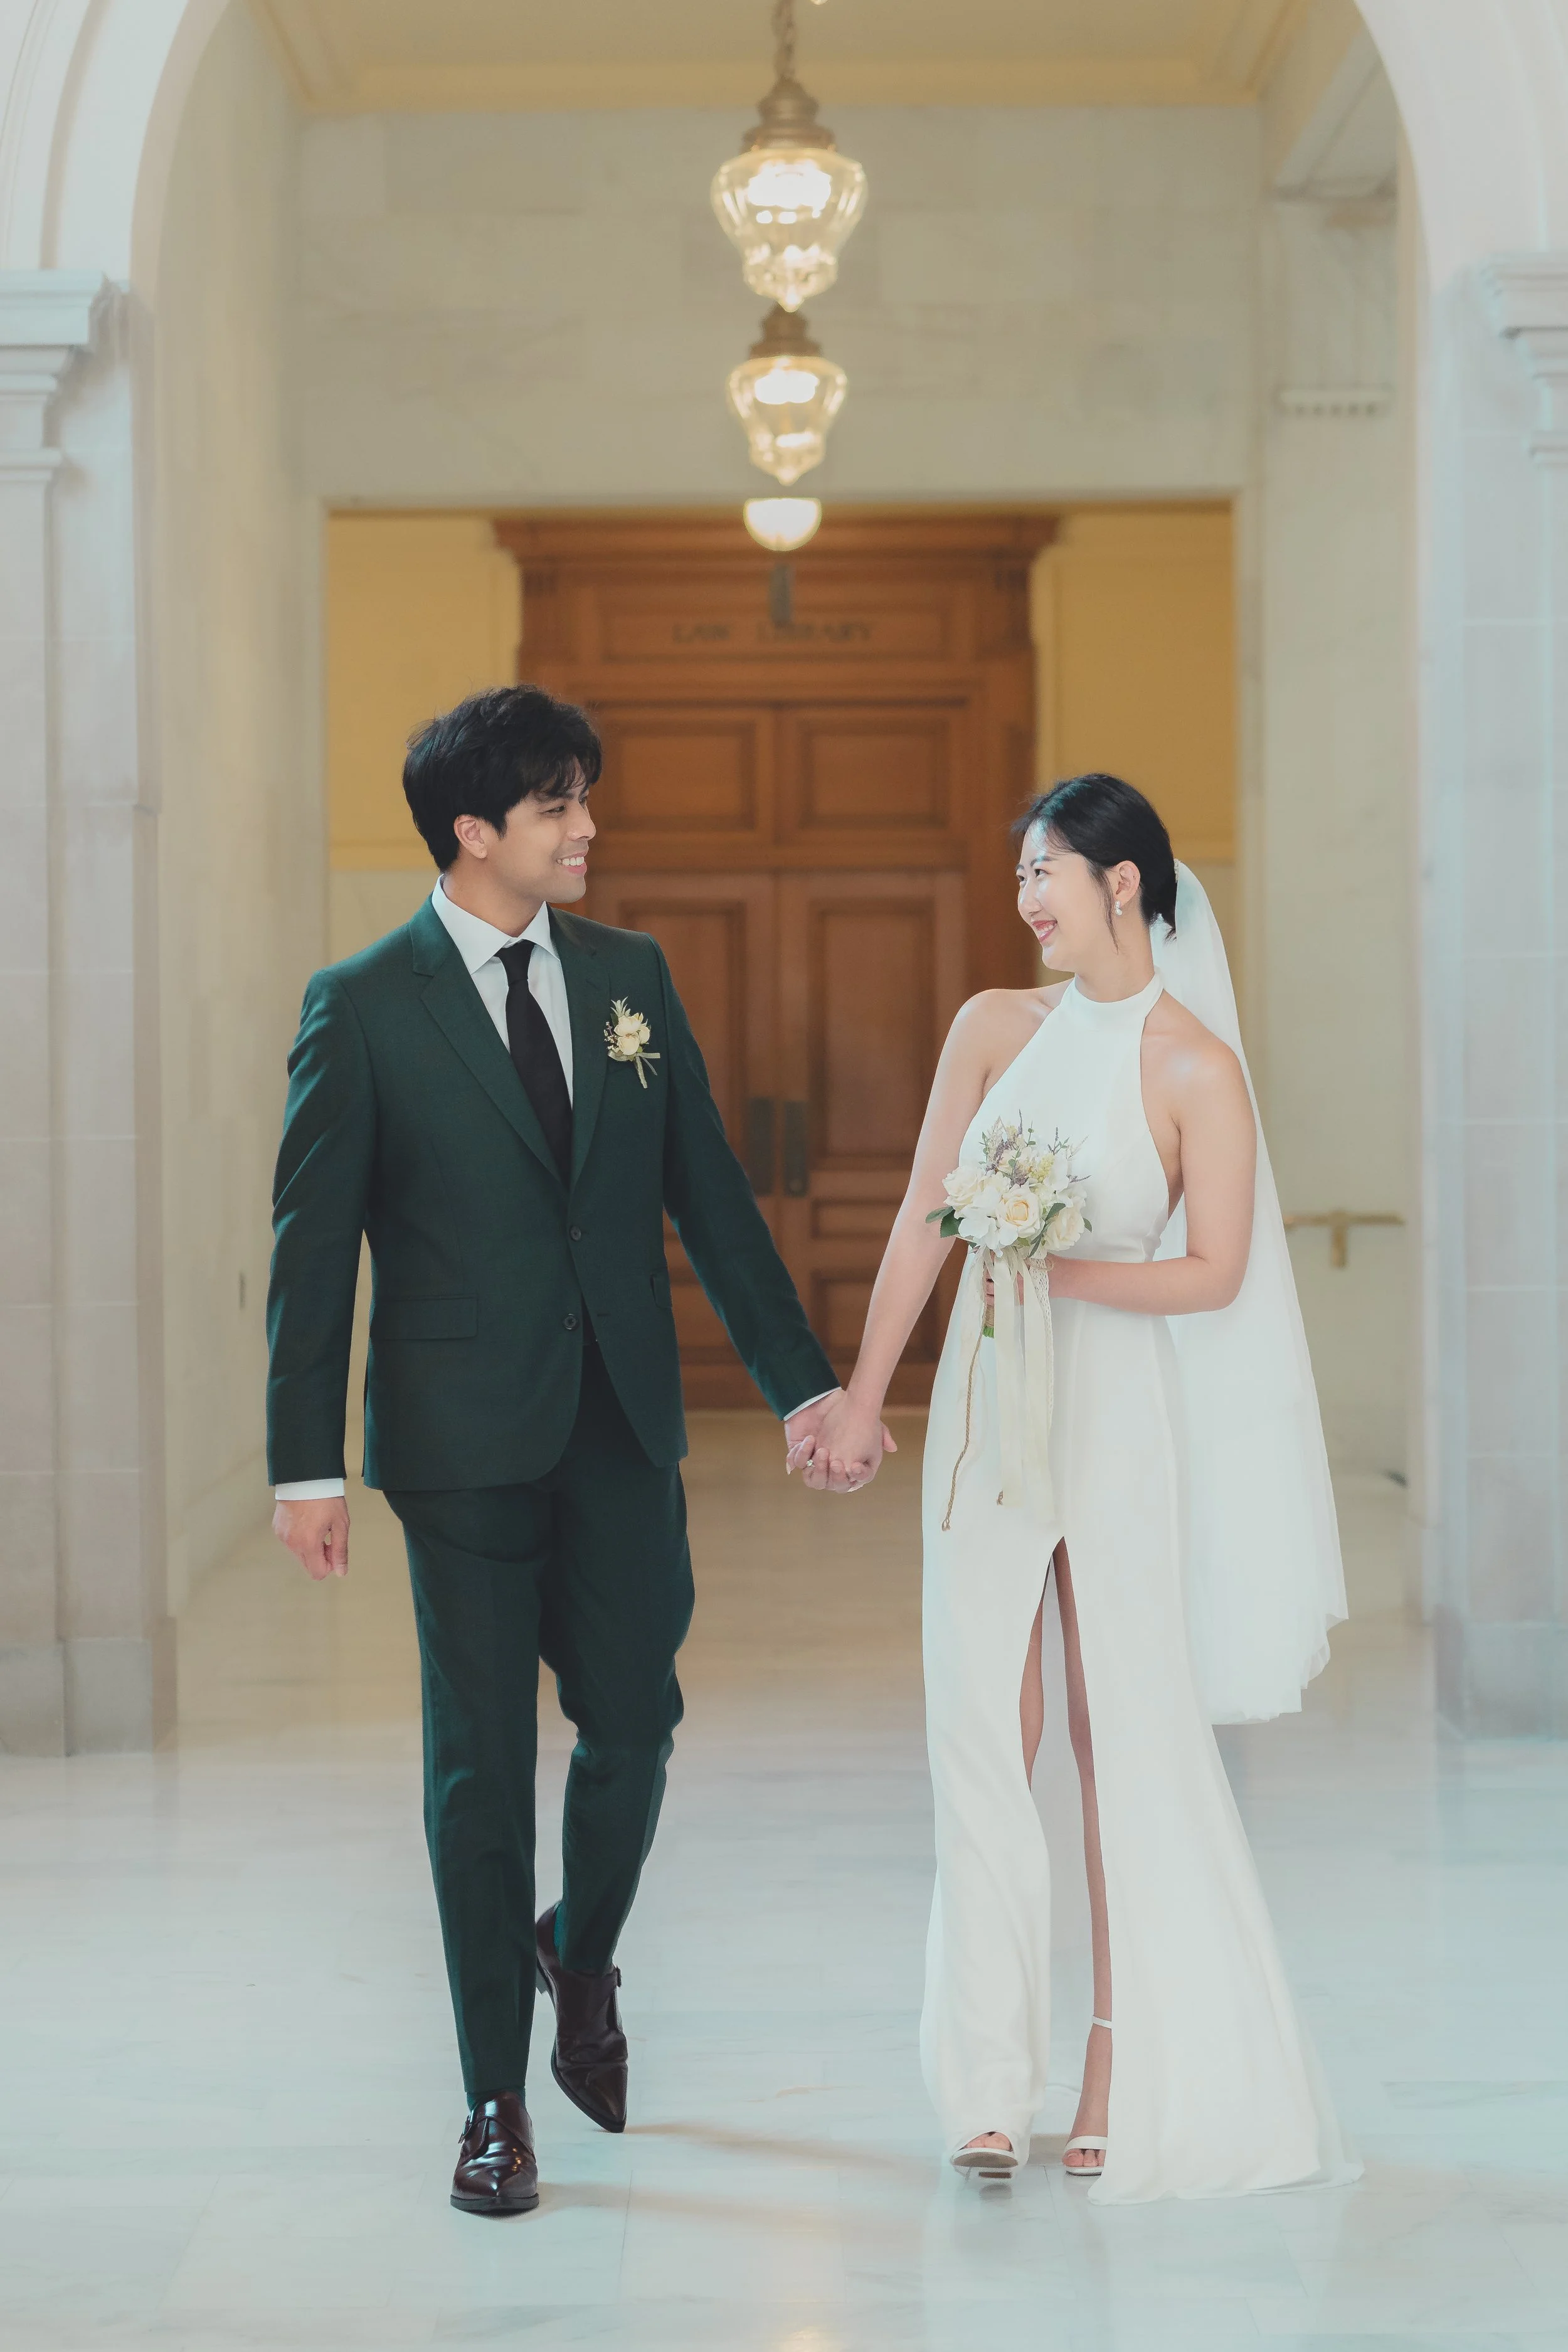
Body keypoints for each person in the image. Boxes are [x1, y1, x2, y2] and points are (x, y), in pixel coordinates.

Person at [267, 684, 875, 2216]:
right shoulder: (361, 1001)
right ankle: (489, 2105)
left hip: (620, 1426)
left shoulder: (629, 976)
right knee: (476, 1776)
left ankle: (579, 1953)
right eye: (556, 805)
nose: (585, 826)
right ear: (472, 832)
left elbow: (711, 1198)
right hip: (459, 1444)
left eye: (583, 798)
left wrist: (803, 1386)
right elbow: (310, 1248)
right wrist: (303, 1463)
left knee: (634, 1724)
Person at [797, 774, 1359, 2201]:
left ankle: (1117, 2063)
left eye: (1047, 871)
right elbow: (931, 1213)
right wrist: (864, 1396)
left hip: (1115, 1422)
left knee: (1122, 1747)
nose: (1028, 899)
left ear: (1124, 882)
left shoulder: (1192, 1069)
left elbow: (1213, 1270)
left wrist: (1056, 1268)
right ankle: (987, 2086)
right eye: (1020, 878)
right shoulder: (993, 1028)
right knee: (981, 1727)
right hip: (990, 1417)